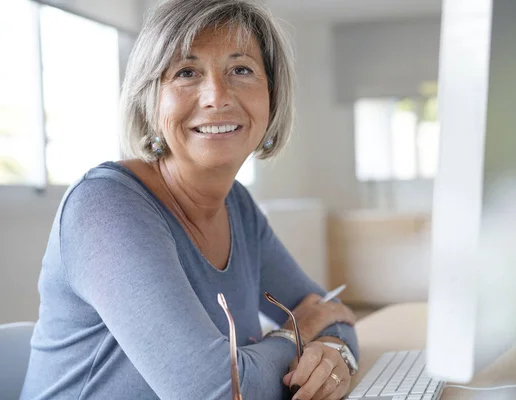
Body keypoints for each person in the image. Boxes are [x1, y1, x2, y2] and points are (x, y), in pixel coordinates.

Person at [20, 0, 359, 399]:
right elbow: (215, 392)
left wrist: (334, 351)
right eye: (186, 72)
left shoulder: (238, 206)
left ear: (273, 95)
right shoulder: (104, 206)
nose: (216, 96)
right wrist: (296, 334)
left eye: (241, 70)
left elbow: (331, 313)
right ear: (151, 100)